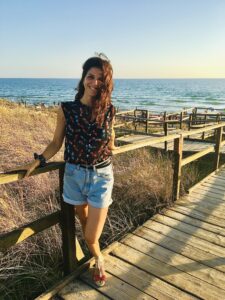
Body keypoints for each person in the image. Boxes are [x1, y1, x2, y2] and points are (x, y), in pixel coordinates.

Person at [17, 54, 117, 287]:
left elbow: (111, 141)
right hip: (73, 175)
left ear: (106, 83)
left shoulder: (109, 110)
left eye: (100, 79)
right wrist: (38, 160)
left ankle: (98, 257)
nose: (94, 82)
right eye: (91, 77)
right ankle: (94, 255)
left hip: (101, 176)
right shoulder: (66, 109)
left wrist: (114, 144)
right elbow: (56, 143)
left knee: (91, 234)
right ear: (83, 78)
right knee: (83, 220)